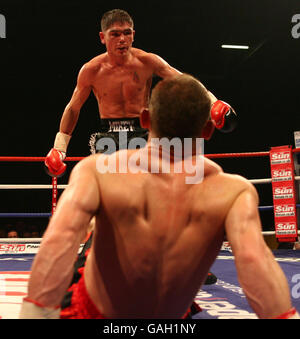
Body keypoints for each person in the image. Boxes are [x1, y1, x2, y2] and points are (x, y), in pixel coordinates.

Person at [20, 74, 298, 319]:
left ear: (145, 119)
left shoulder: (97, 171)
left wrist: (35, 313)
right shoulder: (234, 191)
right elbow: (253, 260)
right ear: (208, 130)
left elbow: (60, 239)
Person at [44, 9, 237, 176]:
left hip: (144, 134)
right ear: (103, 37)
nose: (122, 39)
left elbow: (184, 81)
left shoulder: (147, 61)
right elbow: (73, 108)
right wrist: (59, 148)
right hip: (109, 136)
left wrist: (213, 101)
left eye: (127, 33)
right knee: (110, 198)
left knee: (152, 192)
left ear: (133, 35)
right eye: (115, 34)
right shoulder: (91, 70)